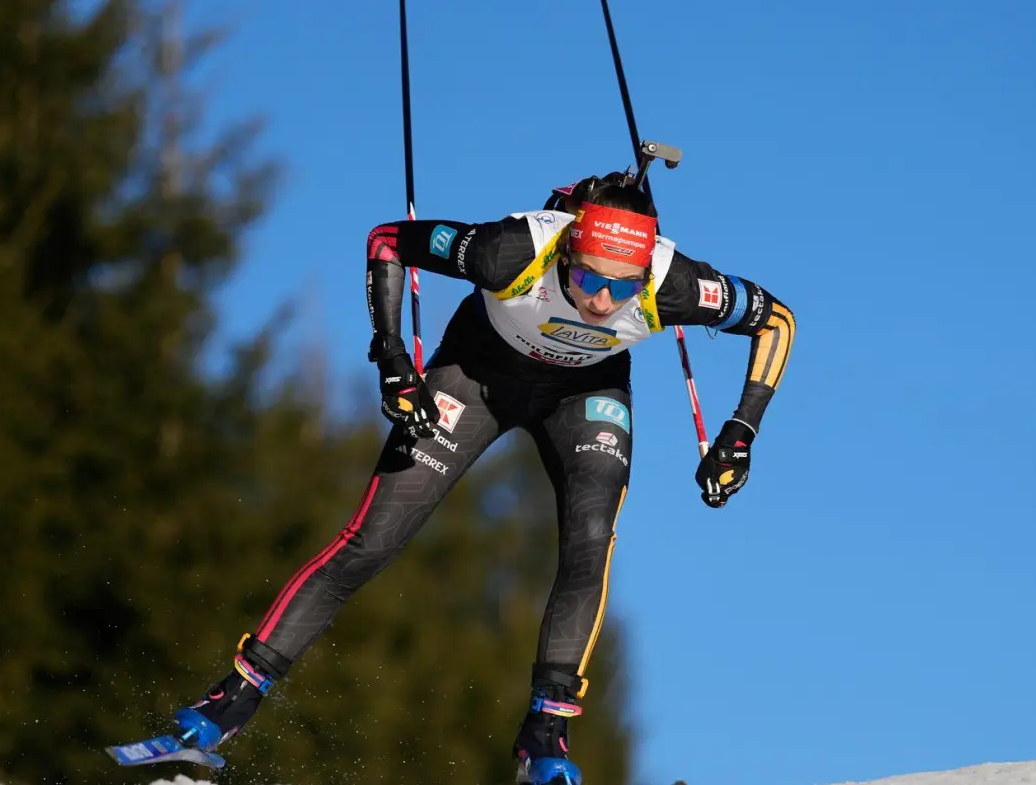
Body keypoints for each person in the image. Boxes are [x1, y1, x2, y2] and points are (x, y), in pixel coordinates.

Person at [164, 171, 796, 785]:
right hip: (478, 375)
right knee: (374, 540)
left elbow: (777, 321)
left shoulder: (675, 283)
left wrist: (740, 432)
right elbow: (389, 240)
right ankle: (234, 697)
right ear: (566, 252)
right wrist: (392, 356)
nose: (603, 301)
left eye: (622, 287)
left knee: (590, 542)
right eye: (586, 277)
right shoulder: (508, 251)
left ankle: (546, 733)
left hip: (585, 392)